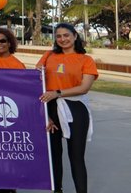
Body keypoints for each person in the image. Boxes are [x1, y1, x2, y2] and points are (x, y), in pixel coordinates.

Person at [37, 23, 98, 193]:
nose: (62, 39)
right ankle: (57, 190)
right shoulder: (48, 56)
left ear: (75, 36)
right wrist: (44, 114)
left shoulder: (85, 60)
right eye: (58, 36)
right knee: (54, 155)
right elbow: (36, 80)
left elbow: (84, 87)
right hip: (50, 109)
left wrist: (58, 93)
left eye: (66, 35)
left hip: (75, 108)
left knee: (76, 156)